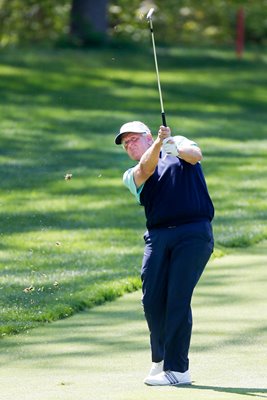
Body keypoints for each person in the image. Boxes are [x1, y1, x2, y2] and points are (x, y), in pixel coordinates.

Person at [115, 121, 214, 386]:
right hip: (158, 236)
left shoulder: (179, 142)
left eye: (134, 139)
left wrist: (173, 145)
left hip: (194, 231)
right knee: (152, 300)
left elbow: (196, 156)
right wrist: (160, 144)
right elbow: (146, 169)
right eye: (126, 144)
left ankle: (178, 370)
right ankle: (160, 360)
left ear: (147, 136)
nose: (129, 145)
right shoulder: (131, 173)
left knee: (177, 298)